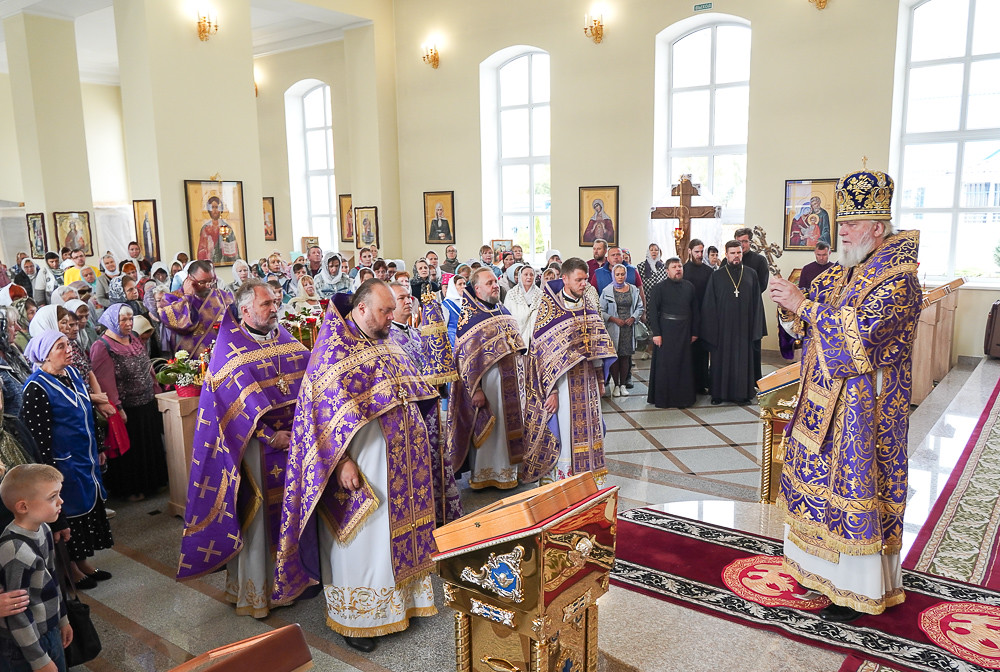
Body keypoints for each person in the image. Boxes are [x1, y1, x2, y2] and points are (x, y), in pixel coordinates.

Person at [769, 169, 919, 622]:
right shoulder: (844, 271)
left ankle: (854, 589)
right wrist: (791, 307)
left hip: (862, 412)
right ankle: (814, 570)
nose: (843, 231)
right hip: (821, 400)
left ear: (878, 227)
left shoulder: (898, 281)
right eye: (843, 223)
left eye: (853, 224)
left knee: (852, 489)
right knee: (815, 482)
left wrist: (803, 306)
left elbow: (860, 340)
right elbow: (813, 314)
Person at [273, 281, 441, 653]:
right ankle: (356, 619)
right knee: (363, 541)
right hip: (359, 469)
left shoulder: (385, 338)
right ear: (362, 309)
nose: (391, 318)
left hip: (398, 465)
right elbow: (318, 417)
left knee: (390, 537)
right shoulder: (332, 351)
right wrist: (342, 462)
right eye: (385, 311)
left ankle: (402, 605)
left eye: (392, 310)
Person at [177, 279, 309, 618]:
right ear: (245, 309)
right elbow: (228, 409)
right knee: (259, 519)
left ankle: (295, 579)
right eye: (266, 304)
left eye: (275, 302)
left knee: (291, 511)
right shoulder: (228, 351)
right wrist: (268, 436)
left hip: (292, 445)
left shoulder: (286, 339)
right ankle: (258, 592)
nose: (274, 309)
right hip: (253, 449)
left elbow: (309, 381)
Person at [20, 331, 113, 589]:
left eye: (68, 344)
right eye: (60, 346)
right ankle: (68, 569)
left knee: (86, 514)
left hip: (85, 459)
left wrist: (100, 445)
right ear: (45, 355)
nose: (69, 349)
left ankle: (82, 563)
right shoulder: (36, 388)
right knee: (67, 516)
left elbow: (88, 412)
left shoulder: (71, 374)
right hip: (62, 465)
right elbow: (38, 441)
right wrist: (48, 475)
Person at [520, 258, 615, 484]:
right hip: (562, 382)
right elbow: (540, 354)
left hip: (587, 380)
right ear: (565, 279)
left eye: (585, 279)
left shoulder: (588, 306)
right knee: (564, 425)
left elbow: (597, 346)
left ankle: (588, 475)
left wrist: (601, 379)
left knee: (590, 426)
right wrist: (551, 390)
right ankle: (564, 477)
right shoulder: (549, 310)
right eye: (579, 280)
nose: (584, 284)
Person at [386, 282, 462, 524]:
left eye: (409, 297)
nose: (408, 301)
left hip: (429, 408)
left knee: (435, 458)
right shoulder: (387, 339)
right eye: (401, 298)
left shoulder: (419, 333)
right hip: (408, 412)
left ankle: (440, 513)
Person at [447, 268, 526, 490]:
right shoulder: (470, 319)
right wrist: (476, 390)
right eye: (489, 282)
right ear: (477, 288)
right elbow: (465, 360)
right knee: (491, 431)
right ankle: (485, 475)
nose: (495, 285)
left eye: (496, 281)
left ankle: (509, 472)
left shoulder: (502, 309)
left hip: (511, 383)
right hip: (489, 386)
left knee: (508, 429)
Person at [90, 303, 167, 502]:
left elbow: (146, 366)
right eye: (122, 319)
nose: (128, 323)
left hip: (146, 401)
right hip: (127, 408)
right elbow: (105, 381)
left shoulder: (133, 338)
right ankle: (133, 489)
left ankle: (153, 483)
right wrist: (118, 407)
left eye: (130, 318)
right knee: (133, 451)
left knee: (150, 443)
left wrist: (156, 388)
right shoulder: (102, 346)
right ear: (111, 321)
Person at [0, 464, 72, 672]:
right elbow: (16, 612)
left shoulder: (44, 529)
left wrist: (62, 619)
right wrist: (38, 659)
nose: (61, 501)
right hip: (23, 644)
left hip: (48, 629)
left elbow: (54, 579)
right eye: (53, 497)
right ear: (23, 507)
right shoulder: (14, 552)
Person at [701, 241, 763, 405]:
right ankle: (718, 394)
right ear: (726, 254)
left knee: (742, 361)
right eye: (732, 253)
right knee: (720, 360)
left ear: (742, 253)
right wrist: (711, 330)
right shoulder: (717, 275)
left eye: (739, 253)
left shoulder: (751, 274)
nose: (736, 256)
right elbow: (709, 304)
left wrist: (756, 328)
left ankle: (742, 394)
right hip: (722, 328)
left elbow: (757, 303)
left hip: (744, 328)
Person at [647, 257, 699, 409]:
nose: (678, 269)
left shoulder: (689, 287)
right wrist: (656, 333)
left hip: (685, 330)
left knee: (684, 365)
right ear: (667, 271)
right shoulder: (659, 288)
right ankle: (665, 399)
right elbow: (652, 312)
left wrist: (695, 331)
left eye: (680, 266)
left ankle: (684, 399)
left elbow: (695, 310)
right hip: (666, 330)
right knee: (665, 366)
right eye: (674, 267)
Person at [158, 260, 233, 359]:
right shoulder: (171, 299)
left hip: (220, 357)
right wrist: (188, 297)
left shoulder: (223, 297)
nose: (208, 285)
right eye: (202, 282)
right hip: (189, 363)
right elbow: (180, 324)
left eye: (211, 281)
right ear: (189, 279)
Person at [599, 264, 644, 397]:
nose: (620, 277)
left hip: (628, 328)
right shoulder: (607, 291)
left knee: (625, 357)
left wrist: (633, 317)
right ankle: (616, 386)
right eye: (617, 274)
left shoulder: (633, 289)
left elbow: (639, 307)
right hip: (614, 327)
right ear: (613, 275)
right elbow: (601, 310)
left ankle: (623, 384)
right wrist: (613, 319)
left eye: (622, 274)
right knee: (615, 357)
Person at [735, 227, 770, 382]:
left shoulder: (759, 260)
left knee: (753, 343)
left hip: (753, 308)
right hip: (733, 310)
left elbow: (762, 284)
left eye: (745, 241)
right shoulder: (728, 260)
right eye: (738, 241)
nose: (741, 245)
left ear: (750, 242)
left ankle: (755, 378)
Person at [683, 239, 714, 394]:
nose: (700, 255)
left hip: (704, 317)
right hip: (687, 318)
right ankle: (688, 383)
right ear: (689, 251)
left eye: (702, 252)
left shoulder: (709, 271)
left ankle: (702, 384)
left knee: (702, 353)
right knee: (688, 352)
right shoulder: (683, 270)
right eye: (697, 252)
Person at [197, 196, 240, 264]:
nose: (214, 210)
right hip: (209, 261)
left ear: (221, 209)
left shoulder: (227, 227)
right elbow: (201, 249)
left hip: (224, 260)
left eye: (216, 207)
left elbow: (234, 248)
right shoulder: (205, 228)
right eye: (212, 207)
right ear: (209, 210)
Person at [442, 275, 466, 348]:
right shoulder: (446, 304)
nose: (463, 286)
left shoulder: (467, 302)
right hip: (452, 342)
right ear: (453, 286)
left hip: (466, 339)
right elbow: (444, 326)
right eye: (460, 284)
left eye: (464, 284)